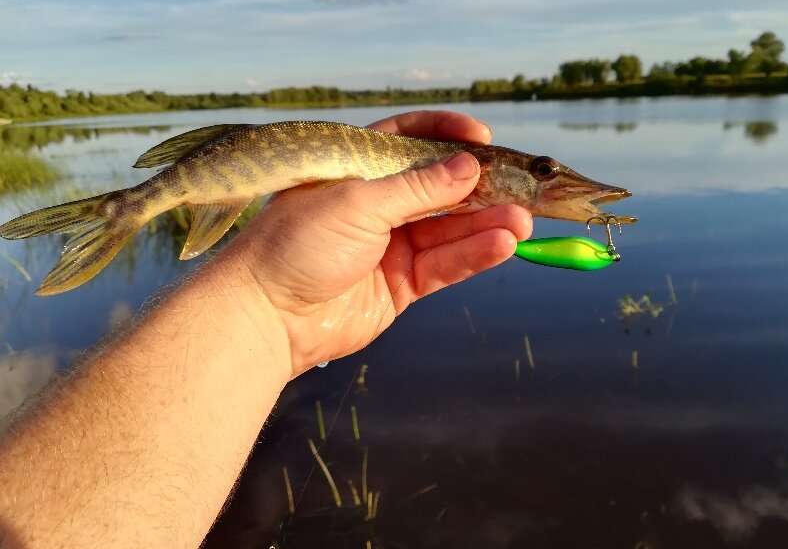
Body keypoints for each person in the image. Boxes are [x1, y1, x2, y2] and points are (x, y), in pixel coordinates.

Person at [0, 110, 532, 548]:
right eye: (542, 170)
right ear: (479, 170)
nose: (547, 177)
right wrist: (264, 301)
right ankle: (124, 215)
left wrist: (266, 307)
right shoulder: (456, 166)